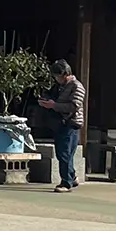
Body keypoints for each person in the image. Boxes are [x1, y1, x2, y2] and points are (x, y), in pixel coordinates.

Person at [37, 59, 85, 193]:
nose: (56, 79)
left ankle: (66, 182)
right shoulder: (60, 86)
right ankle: (71, 177)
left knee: (65, 153)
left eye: (57, 76)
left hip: (71, 122)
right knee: (63, 153)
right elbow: (53, 97)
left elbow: (74, 106)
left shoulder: (76, 86)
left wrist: (54, 105)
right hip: (60, 122)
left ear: (64, 74)